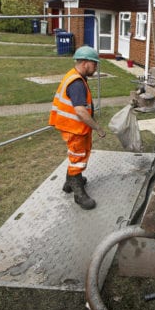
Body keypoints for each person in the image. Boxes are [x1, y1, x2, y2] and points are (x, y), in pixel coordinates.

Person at [49, 45, 106, 210]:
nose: (95, 68)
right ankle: (79, 195)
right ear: (86, 63)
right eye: (94, 64)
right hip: (74, 128)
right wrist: (97, 128)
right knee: (78, 158)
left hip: (73, 126)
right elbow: (80, 111)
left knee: (76, 156)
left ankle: (69, 183)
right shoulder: (77, 83)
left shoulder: (74, 76)